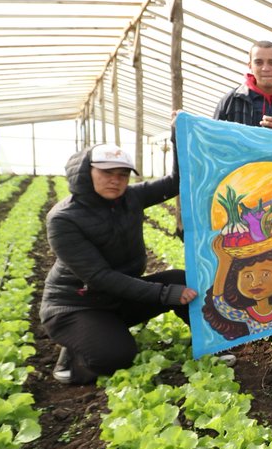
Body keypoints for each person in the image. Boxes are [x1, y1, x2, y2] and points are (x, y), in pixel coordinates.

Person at [41, 143, 198, 385]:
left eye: (123, 174)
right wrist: (165, 294)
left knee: (182, 279)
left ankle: (209, 342)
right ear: (85, 172)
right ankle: (74, 355)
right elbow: (100, 277)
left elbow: (175, 182)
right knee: (115, 356)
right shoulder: (63, 218)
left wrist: (177, 137)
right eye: (106, 173)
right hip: (77, 306)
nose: (115, 180)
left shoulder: (131, 197)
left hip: (119, 298)